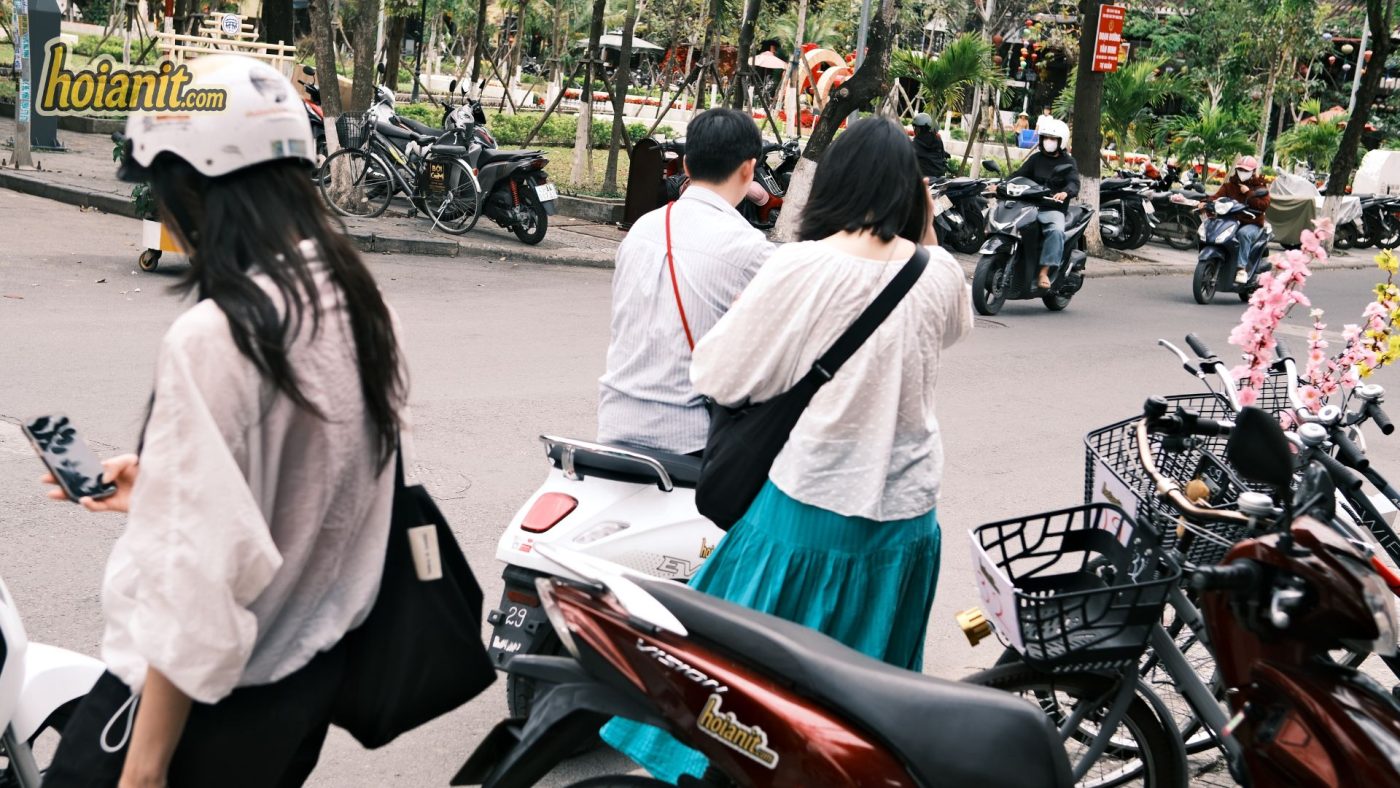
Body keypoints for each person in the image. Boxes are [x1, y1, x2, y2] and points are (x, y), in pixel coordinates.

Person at [42, 55, 408, 787]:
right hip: (298, 691)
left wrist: (143, 771)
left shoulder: (217, 335)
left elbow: (196, 591)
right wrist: (163, 489)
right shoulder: (348, 297)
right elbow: (314, 489)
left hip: (197, 712)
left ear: (193, 188)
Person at [599, 116, 972, 784]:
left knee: (741, 700)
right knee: (862, 717)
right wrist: (921, 218)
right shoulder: (939, 272)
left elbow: (718, 375)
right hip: (908, 526)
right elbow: (953, 329)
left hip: (807, 517)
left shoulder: (804, 266)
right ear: (911, 190)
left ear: (833, 181)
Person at [596, 108, 775, 455]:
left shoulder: (643, 230)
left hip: (615, 423)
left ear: (687, 167)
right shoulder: (750, 249)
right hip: (688, 439)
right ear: (748, 169)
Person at [1011, 117, 1079, 289]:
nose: (1048, 141)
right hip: (1028, 206)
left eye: (1053, 139)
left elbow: (1074, 182)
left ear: (1061, 141)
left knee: (1056, 231)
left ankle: (1044, 271)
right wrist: (1000, 184)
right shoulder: (1035, 159)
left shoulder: (1068, 162)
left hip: (1052, 208)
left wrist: (1065, 192)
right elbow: (1019, 175)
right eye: (1046, 138)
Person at [1208, 155, 1271, 284]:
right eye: (1240, 169)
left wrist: (1249, 193)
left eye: (1246, 171)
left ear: (1253, 172)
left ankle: (1241, 268)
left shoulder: (1260, 188)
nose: (1243, 173)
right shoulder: (1229, 186)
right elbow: (1215, 198)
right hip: (1231, 222)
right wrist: (1205, 203)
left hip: (1252, 223)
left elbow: (1263, 205)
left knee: (1243, 234)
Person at [911, 112, 949, 180]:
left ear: (921, 129)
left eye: (916, 127)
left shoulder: (915, 143)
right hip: (939, 178)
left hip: (922, 180)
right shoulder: (938, 140)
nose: (914, 130)